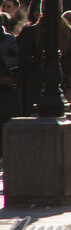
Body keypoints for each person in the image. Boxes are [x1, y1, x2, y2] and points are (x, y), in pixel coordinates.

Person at [0, 12, 22, 156]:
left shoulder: (8, 39)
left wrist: (3, 61)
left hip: (4, 86)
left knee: (4, 120)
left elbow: (18, 59)